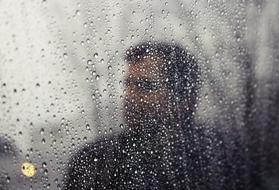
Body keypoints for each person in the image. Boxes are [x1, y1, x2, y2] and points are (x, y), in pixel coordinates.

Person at [63, 41, 228, 190]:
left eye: (145, 86)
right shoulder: (95, 160)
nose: (128, 96)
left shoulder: (220, 158)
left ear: (183, 101)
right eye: (128, 85)